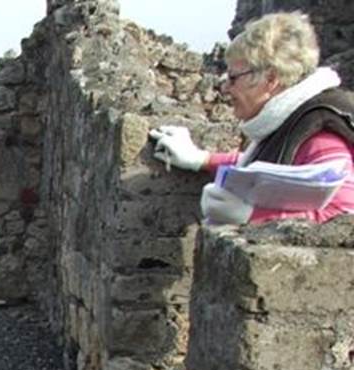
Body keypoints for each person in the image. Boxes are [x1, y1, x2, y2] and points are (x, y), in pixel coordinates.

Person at [149, 12, 354, 225]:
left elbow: (345, 215)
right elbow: (268, 171)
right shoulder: (293, 122)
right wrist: (201, 159)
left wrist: (251, 216)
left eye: (233, 78)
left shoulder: (320, 139)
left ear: (271, 79)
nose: (226, 88)